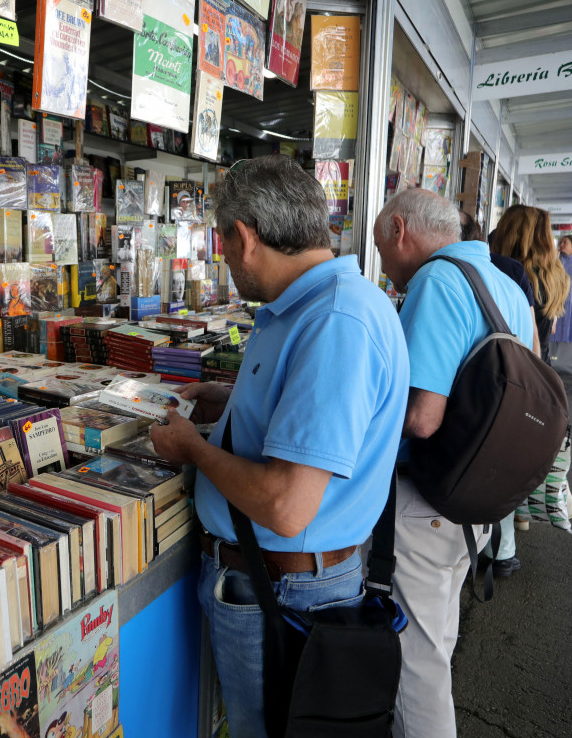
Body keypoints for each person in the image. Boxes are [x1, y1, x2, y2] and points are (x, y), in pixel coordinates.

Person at [149, 155, 409, 738]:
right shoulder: (310, 306)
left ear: (244, 238)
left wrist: (193, 449)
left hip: (282, 591)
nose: (224, 258)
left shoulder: (336, 320)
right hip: (272, 583)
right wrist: (233, 399)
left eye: (222, 243)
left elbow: (287, 507)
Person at [373, 189, 534, 738]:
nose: (388, 271)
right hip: (480, 493)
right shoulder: (504, 284)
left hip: (429, 498)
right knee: (436, 640)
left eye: (381, 250)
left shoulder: (438, 283)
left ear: (400, 230)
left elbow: (420, 418)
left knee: (413, 664)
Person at [459, 210, 533, 576]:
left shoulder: (449, 276)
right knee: (501, 462)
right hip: (520, 378)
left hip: (486, 383)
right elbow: (533, 339)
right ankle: (502, 551)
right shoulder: (516, 273)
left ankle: (486, 546)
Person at [489, 206, 571, 365]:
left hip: (511, 367)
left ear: (509, 233)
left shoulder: (514, 275)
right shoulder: (554, 275)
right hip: (541, 365)